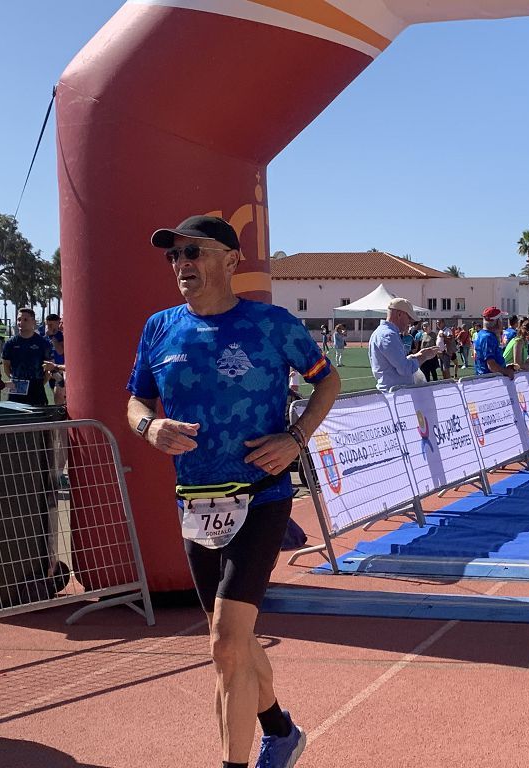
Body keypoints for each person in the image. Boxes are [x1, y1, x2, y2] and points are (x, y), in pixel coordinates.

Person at [126, 215, 340, 768]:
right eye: (174, 256)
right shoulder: (159, 327)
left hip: (262, 495)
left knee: (225, 642)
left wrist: (297, 437)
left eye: (193, 252)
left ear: (229, 259)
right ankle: (281, 730)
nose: (182, 264)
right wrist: (151, 428)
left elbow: (328, 379)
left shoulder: (270, 324)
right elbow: (135, 402)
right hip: (196, 504)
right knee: (233, 647)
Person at [369, 299, 438, 392]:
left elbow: (396, 364)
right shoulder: (389, 335)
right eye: (409, 318)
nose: (410, 322)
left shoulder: (382, 333)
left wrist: (416, 356)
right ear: (399, 314)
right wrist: (423, 356)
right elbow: (404, 369)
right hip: (396, 394)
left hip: (395, 393)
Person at [2, 308, 54, 406]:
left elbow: (49, 368)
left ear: (33, 322)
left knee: (38, 416)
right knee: (16, 416)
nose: (21, 322)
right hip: (17, 386)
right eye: (19, 319)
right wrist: (16, 380)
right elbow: (6, 366)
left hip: (37, 385)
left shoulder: (43, 343)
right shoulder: (10, 343)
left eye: (25, 320)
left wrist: (40, 383)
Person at [473, 307, 514, 379]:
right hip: (490, 380)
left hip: (486, 378)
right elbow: (491, 365)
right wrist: (506, 371)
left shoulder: (481, 334)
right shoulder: (488, 337)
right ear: (497, 322)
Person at [42, 314, 66, 405]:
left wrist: (53, 337)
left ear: (58, 323)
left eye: (51, 325)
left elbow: (60, 351)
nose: (49, 327)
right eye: (47, 325)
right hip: (50, 371)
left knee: (61, 396)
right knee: (56, 396)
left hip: (60, 370)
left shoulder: (61, 336)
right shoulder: (44, 338)